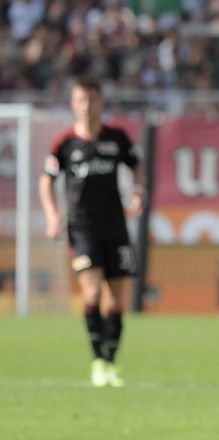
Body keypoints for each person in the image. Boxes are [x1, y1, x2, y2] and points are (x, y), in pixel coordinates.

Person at [38, 76, 145, 388]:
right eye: (81, 100)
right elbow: (46, 180)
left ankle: (111, 361)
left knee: (115, 301)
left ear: (101, 102)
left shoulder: (117, 138)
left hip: (116, 228)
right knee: (93, 292)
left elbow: (137, 167)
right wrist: (52, 214)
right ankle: (98, 361)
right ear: (73, 103)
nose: (87, 106)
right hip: (82, 228)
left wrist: (137, 191)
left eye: (92, 99)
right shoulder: (64, 143)